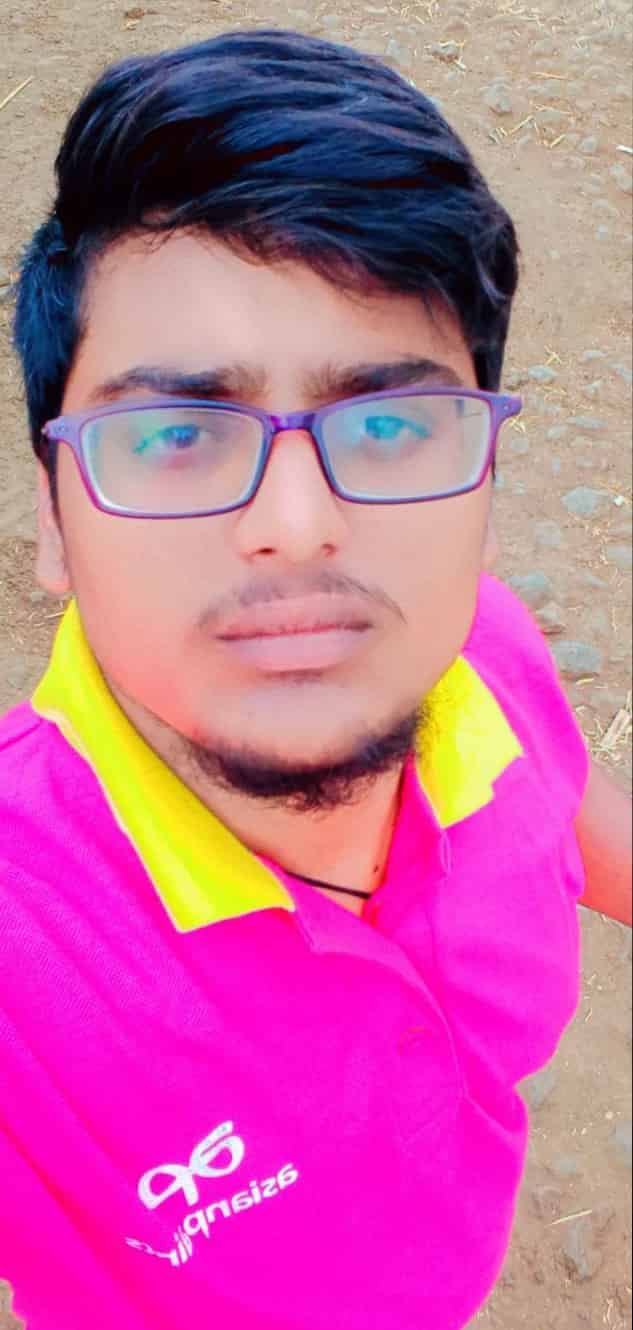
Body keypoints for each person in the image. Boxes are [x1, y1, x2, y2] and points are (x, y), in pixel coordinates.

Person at [1, 27, 631, 1330]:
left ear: (484, 484)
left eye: (390, 422)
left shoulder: (484, 655)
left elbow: (571, 812)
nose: (297, 526)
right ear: (53, 520)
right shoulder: (27, 954)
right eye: (175, 432)